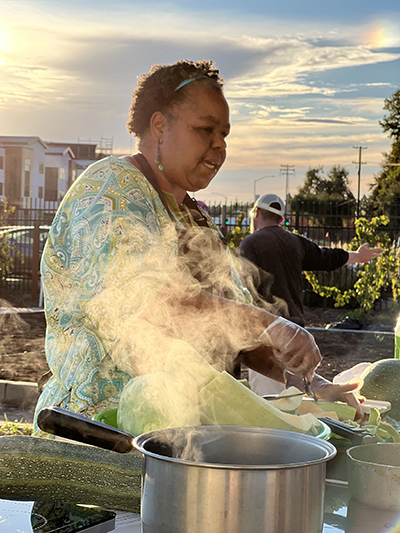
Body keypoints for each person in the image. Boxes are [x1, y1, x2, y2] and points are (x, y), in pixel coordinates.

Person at [33, 60, 361, 435]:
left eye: (224, 133)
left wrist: (311, 387)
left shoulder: (195, 219)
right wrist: (272, 324)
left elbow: (235, 334)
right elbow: (152, 301)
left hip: (185, 434)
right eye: (205, 129)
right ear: (159, 126)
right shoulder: (110, 191)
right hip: (101, 433)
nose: (219, 145)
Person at [239, 193, 382, 395]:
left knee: (271, 405)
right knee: (297, 400)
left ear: (257, 213)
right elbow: (327, 258)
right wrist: (358, 256)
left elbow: (244, 291)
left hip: (269, 336)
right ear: (281, 219)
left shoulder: (250, 244)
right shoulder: (295, 242)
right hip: (297, 335)